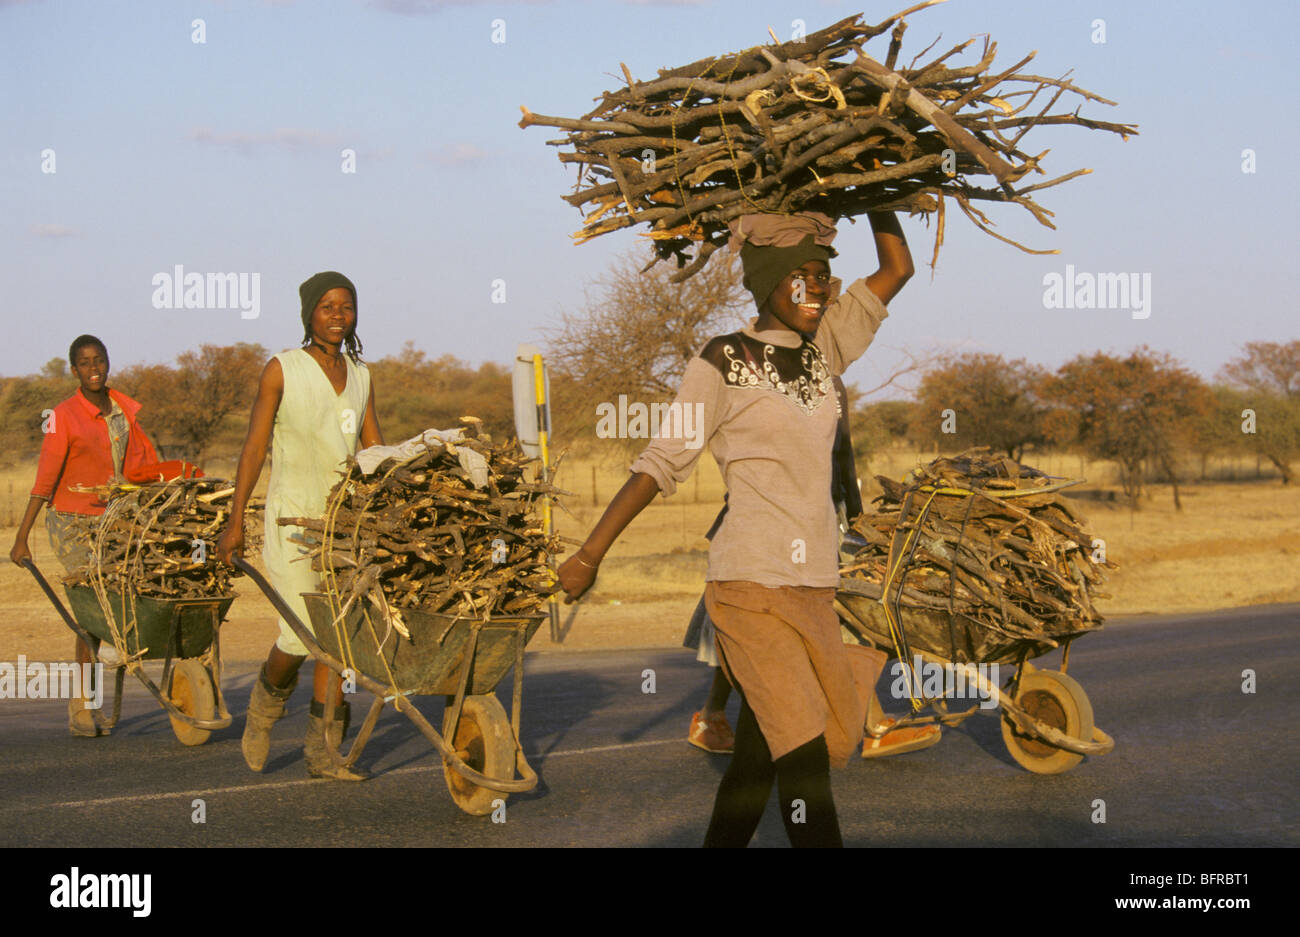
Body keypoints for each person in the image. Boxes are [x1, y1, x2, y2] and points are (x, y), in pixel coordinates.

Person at [560, 210, 913, 847]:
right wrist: (589, 554)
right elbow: (662, 461)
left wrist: (881, 192)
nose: (817, 289)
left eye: (824, 276)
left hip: (812, 588)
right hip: (749, 587)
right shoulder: (723, 359)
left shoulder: (822, 350)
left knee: (757, 760)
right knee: (805, 768)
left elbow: (897, 269)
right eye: (800, 277)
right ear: (768, 282)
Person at [216, 272, 383, 781]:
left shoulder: (361, 375)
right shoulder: (281, 369)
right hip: (290, 519)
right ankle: (265, 709)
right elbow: (254, 446)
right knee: (300, 634)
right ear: (310, 312)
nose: (337, 315)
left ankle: (322, 750)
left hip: (341, 525)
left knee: (336, 638)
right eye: (327, 306)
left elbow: (373, 451)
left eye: (346, 306)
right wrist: (234, 520)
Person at [9, 335, 161, 736]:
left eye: (99, 360)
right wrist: (22, 536)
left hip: (116, 520)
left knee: (119, 601)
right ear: (74, 370)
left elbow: (143, 465)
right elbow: (45, 479)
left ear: (108, 363)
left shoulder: (123, 412)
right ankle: (82, 703)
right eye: (84, 362)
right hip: (72, 522)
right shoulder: (63, 416)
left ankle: (108, 669)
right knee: (91, 610)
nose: (93, 367)